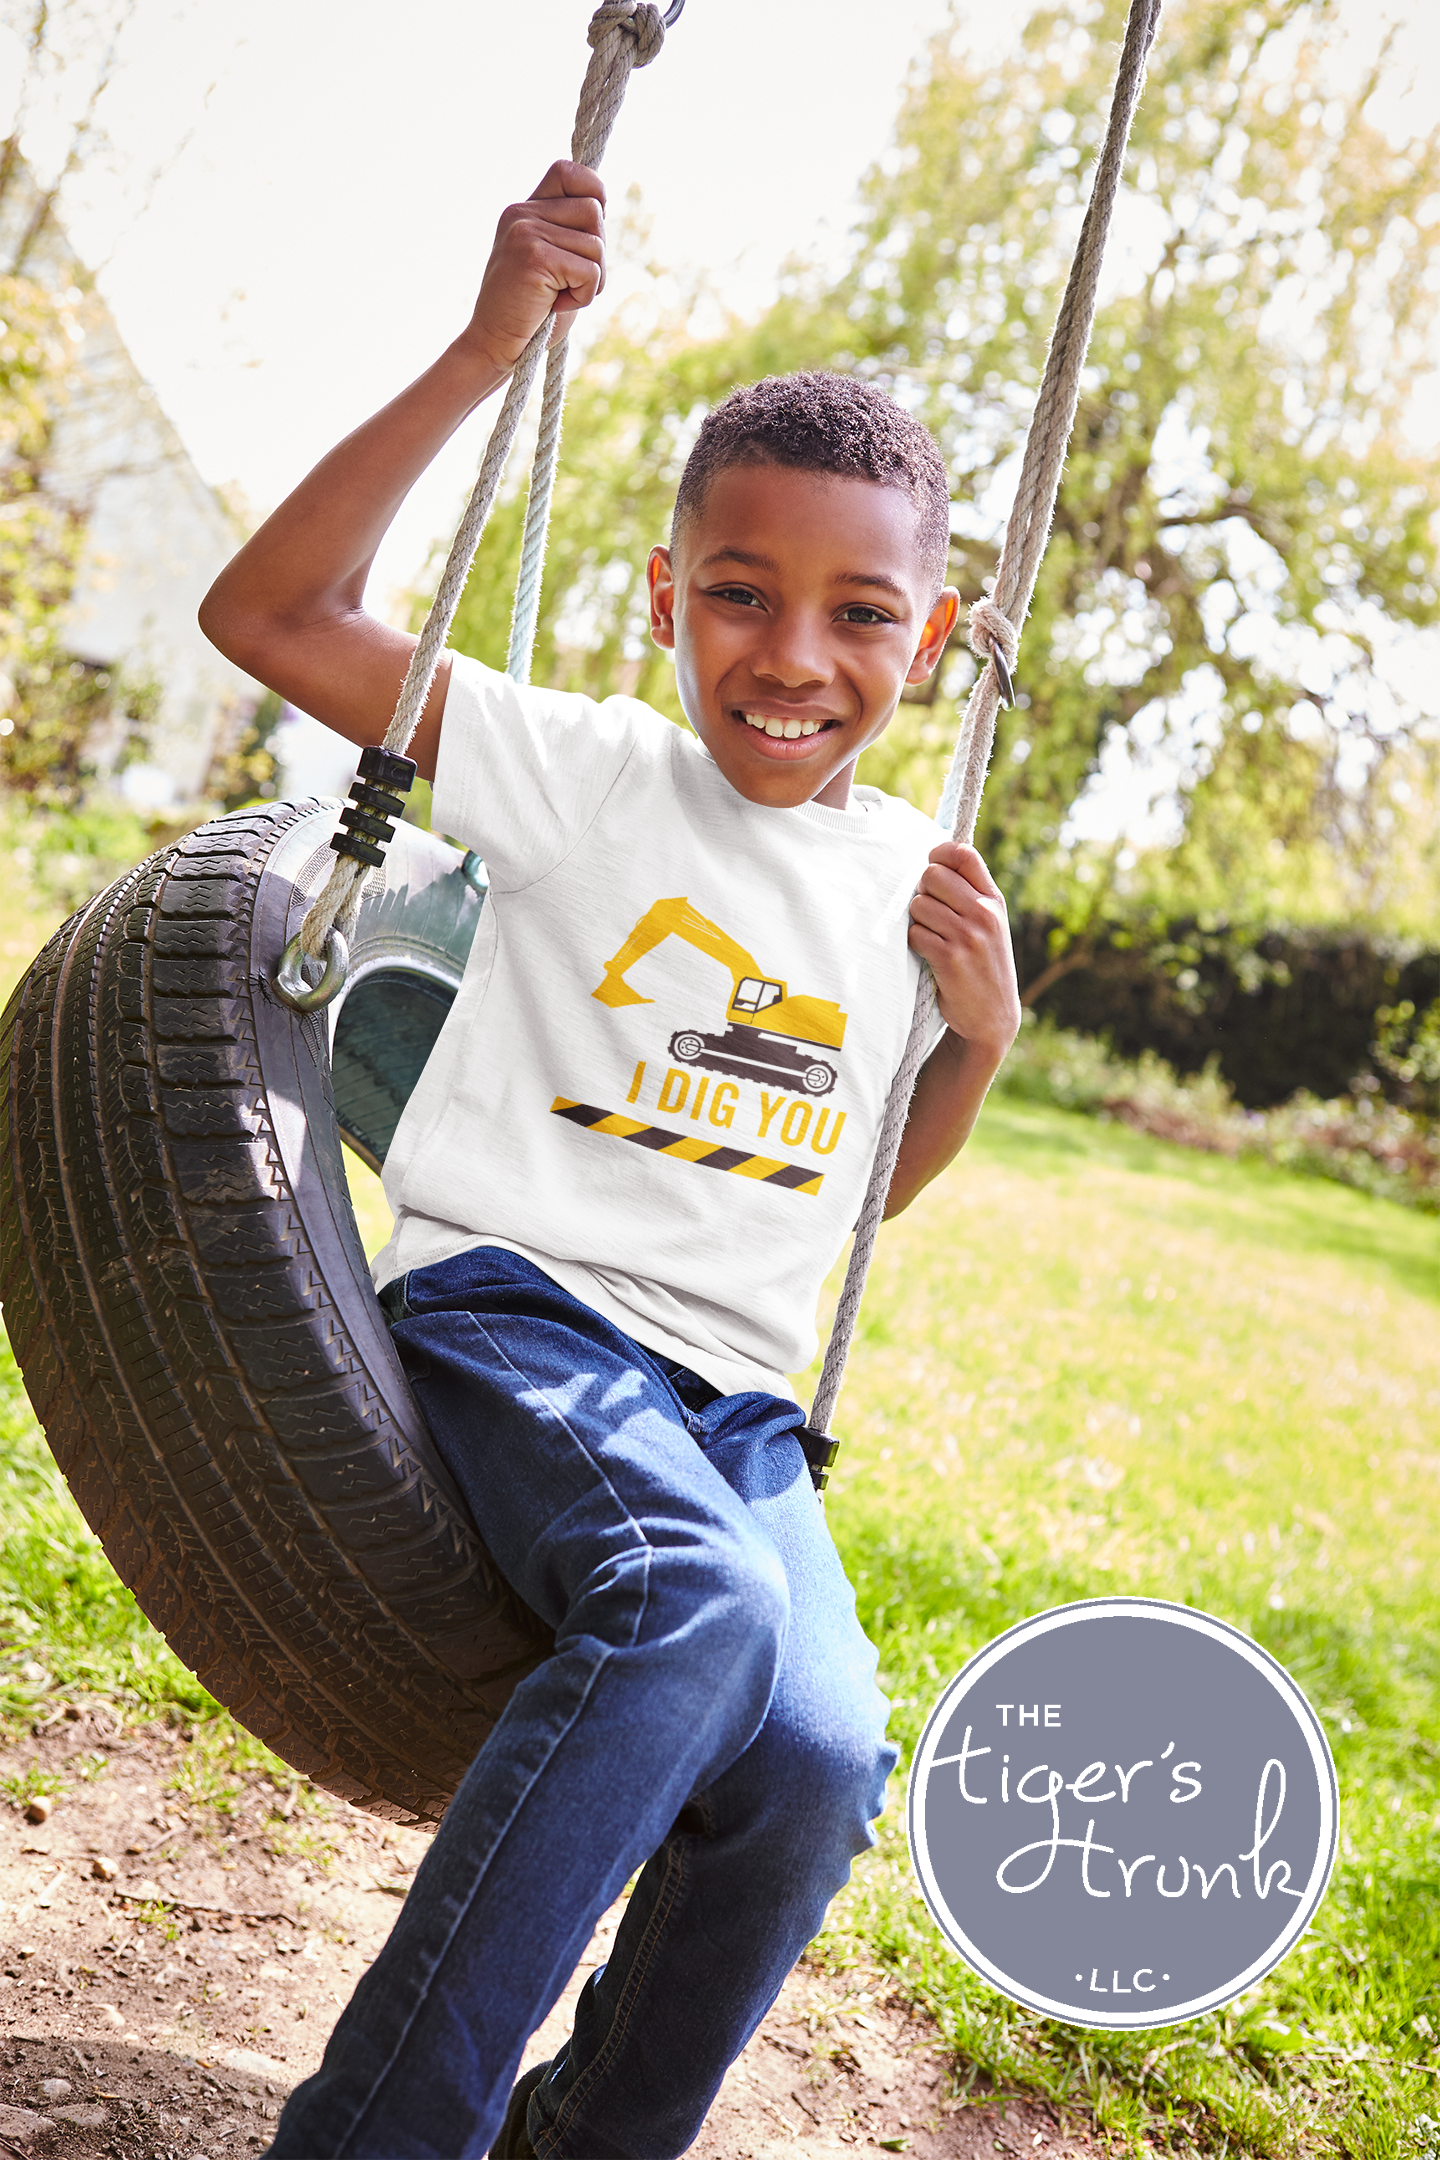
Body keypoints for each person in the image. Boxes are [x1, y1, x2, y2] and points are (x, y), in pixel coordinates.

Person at [201, 158, 1021, 2160]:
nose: (791, 657)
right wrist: (488, 352)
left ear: (935, 635)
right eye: (737, 594)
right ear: (668, 597)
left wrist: (980, 1046)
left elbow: (844, 1209)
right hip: (524, 1314)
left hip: (744, 1411)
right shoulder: (584, 770)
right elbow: (270, 612)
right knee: (692, 1609)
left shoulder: (913, 875)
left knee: (826, 1758)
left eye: (860, 613)